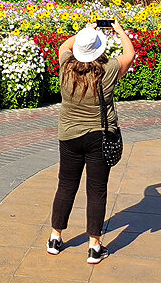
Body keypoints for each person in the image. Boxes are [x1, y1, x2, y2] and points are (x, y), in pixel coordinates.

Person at [49, 19, 134, 264]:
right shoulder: (108, 70)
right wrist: (118, 30)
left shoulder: (65, 64)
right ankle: (94, 246)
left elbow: (64, 46)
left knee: (66, 185)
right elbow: (130, 53)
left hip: (69, 135)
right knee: (96, 190)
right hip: (99, 135)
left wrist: (86, 32)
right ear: (99, 49)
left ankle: (55, 237)